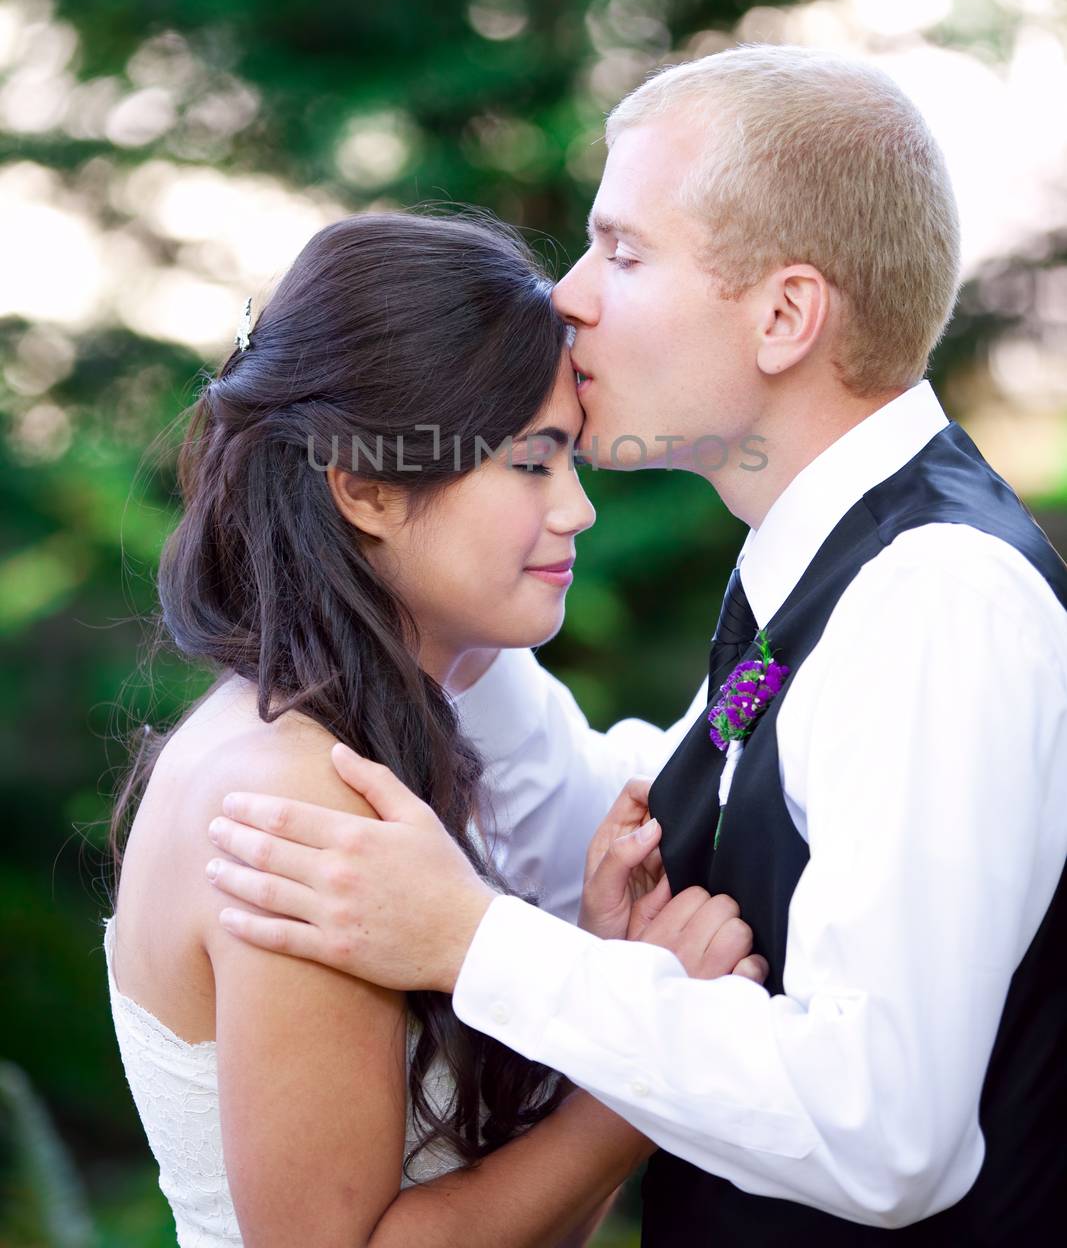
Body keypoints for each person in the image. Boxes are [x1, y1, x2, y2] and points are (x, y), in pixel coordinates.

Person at [206, 47, 1067, 1244]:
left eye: (621, 250)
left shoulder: (933, 600)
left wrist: (472, 942)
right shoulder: (821, 567)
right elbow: (620, 808)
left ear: (782, 315)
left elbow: (886, 1132)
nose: (568, 295)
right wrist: (404, 549)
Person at [104, 208, 763, 1248]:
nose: (577, 510)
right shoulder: (296, 796)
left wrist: (595, 977)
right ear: (364, 486)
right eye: (532, 463)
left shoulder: (392, 728)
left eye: (572, 460)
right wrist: (653, 1060)